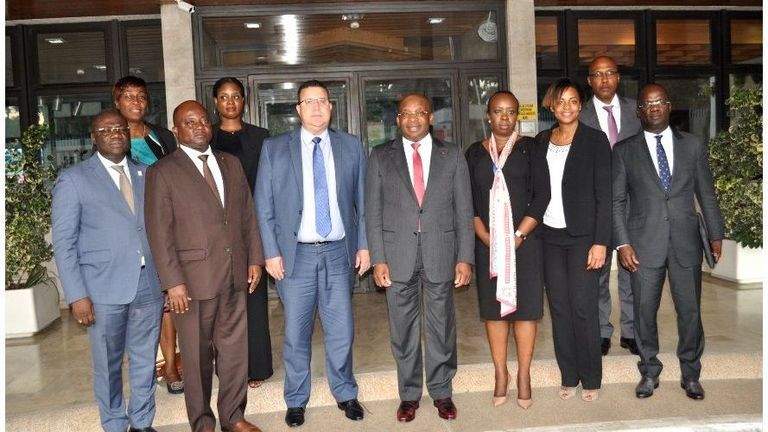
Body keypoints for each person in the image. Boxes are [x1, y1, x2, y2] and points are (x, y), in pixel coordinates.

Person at [254, 80, 369, 428]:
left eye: (322, 101)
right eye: (309, 101)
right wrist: (270, 253)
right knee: (296, 333)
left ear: (331, 107)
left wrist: (364, 245)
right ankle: (296, 399)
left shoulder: (351, 146)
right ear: (298, 109)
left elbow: (363, 203)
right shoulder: (274, 148)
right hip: (295, 257)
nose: (316, 107)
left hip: (338, 253)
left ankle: (345, 392)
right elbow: (263, 206)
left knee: (341, 329)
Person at [145, 101, 265, 432]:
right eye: (189, 122)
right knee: (196, 358)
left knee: (235, 352)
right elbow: (159, 231)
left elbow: (247, 215)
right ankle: (202, 422)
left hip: (235, 274)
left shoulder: (231, 163)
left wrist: (254, 258)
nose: (199, 126)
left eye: (202, 120)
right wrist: (172, 283)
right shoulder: (163, 171)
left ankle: (233, 417)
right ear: (176, 130)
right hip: (191, 282)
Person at [52, 109, 164, 432]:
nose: (115, 133)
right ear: (93, 137)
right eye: (106, 130)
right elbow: (64, 243)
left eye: (120, 128)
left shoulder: (146, 173)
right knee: (108, 363)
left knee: (145, 359)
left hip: (148, 284)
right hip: (101, 290)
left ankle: (141, 422)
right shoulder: (74, 179)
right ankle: (114, 423)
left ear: (128, 135)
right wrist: (77, 295)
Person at [366, 93, 474, 422]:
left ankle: (441, 391)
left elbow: (464, 210)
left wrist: (465, 257)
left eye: (420, 113)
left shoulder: (452, 154)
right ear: (397, 119)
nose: (413, 119)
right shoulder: (380, 156)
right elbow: (372, 213)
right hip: (396, 255)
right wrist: (378, 258)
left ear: (430, 117)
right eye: (406, 114)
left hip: (441, 252)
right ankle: (409, 395)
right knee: (402, 330)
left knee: (441, 327)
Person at [613, 83, 724, 400]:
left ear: (669, 106)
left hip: (686, 242)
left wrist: (716, 234)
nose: (654, 108)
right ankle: (649, 371)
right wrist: (622, 243)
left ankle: (691, 374)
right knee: (643, 313)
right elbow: (616, 202)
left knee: (690, 313)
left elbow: (706, 194)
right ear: (639, 112)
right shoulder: (624, 150)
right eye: (647, 105)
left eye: (659, 102)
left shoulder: (692, 145)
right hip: (642, 245)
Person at [465, 91, 550, 409]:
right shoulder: (474, 153)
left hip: (525, 242)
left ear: (517, 116)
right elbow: (467, 199)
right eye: (498, 111)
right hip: (487, 243)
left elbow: (543, 195)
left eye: (510, 111)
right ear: (488, 116)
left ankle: (524, 374)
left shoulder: (531, 149)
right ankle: (500, 373)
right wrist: (484, 236)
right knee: (494, 310)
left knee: (526, 309)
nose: (504, 117)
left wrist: (518, 235)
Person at [535, 78, 611, 402]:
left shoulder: (595, 140)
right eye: (561, 101)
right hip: (548, 237)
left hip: (583, 238)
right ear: (551, 105)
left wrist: (601, 242)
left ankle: (591, 377)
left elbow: (605, 196)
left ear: (581, 106)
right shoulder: (541, 141)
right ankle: (569, 375)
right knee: (560, 309)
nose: (567, 107)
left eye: (573, 101)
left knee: (583, 307)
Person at [113, 75, 183, 394]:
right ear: (117, 101)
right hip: (130, 233)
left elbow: (177, 174)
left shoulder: (162, 136)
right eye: (128, 96)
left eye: (141, 96)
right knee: (140, 303)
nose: (136, 102)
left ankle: (170, 366)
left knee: (167, 298)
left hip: (165, 227)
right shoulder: (111, 136)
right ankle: (146, 366)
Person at [211, 77, 274, 389]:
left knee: (253, 298)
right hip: (216, 228)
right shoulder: (206, 137)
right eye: (223, 97)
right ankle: (228, 367)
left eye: (235, 96)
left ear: (244, 101)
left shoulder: (262, 137)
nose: (230, 102)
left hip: (254, 225)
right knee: (222, 302)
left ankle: (256, 366)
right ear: (215, 102)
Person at [581, 56, 643, 356]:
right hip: (596, 204)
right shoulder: (579, 114)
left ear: (618, 77)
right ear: (589, 81)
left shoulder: (638, 110)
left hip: (635, 202)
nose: (604, 79)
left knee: (633, 267)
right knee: (599, 270)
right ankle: (601, 330)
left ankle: (631, 331)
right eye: (598, 74)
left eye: (610, 73)